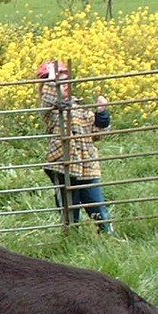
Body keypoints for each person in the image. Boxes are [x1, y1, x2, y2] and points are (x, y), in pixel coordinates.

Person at [37, 59, 113, 233]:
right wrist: (51, 78)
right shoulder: (49, 109)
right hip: (63, 163)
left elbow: (97, 133)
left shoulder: (78, 106)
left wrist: (102, 114)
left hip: (87, 164)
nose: (63, 85)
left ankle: (108, 235)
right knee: (69, 208)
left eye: (65, 81)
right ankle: (72, 236)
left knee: (97, 204)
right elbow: (49, 97)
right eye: (59, 82)